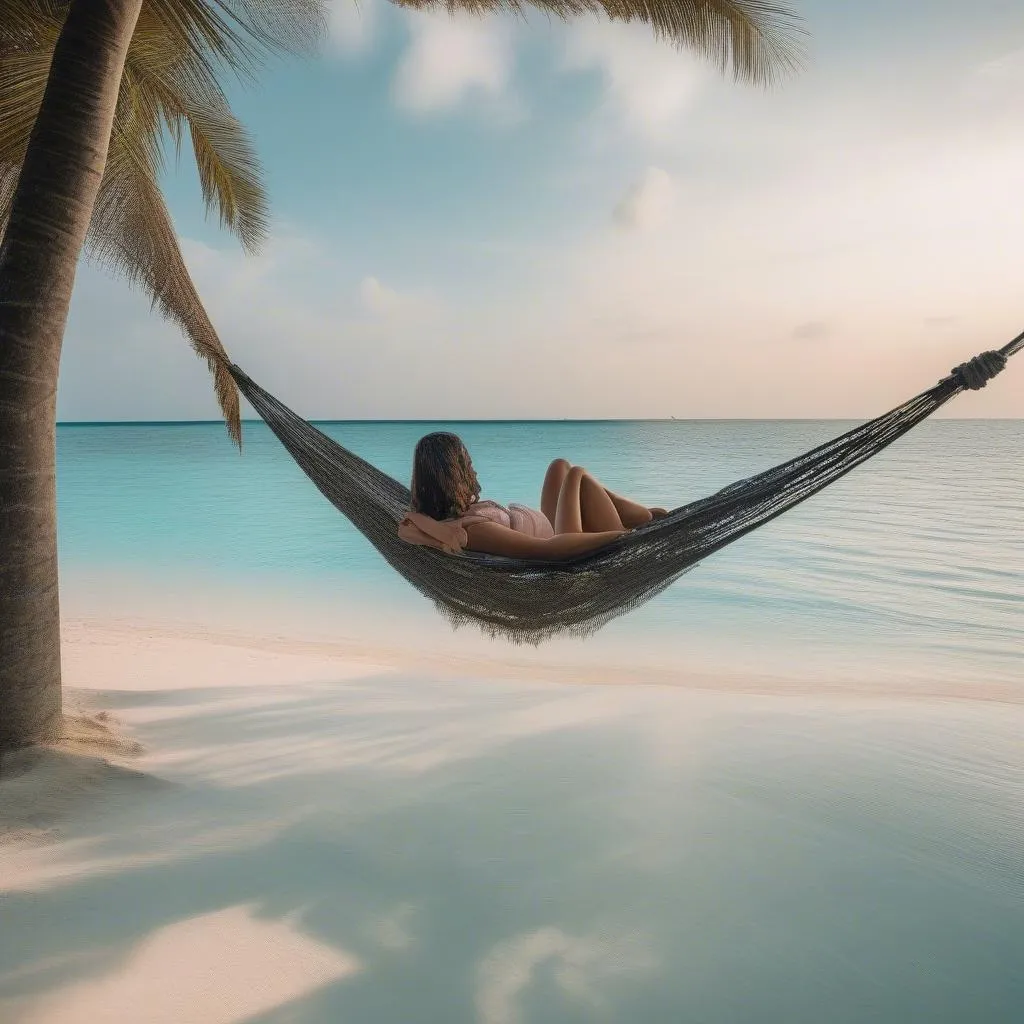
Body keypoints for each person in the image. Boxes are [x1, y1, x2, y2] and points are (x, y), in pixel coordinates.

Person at [398, 431, 666, 560]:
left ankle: (641, 517)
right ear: (454, 475)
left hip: (553, 525)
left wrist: (420, 521)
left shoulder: (440, 517)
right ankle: (636, 523)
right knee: (576, 475)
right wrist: (624, 538)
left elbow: (405, 530)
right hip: (567, 540)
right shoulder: (473, 529)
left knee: (559, 466)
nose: (473, 469)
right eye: (467, 464)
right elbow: (547, 550)